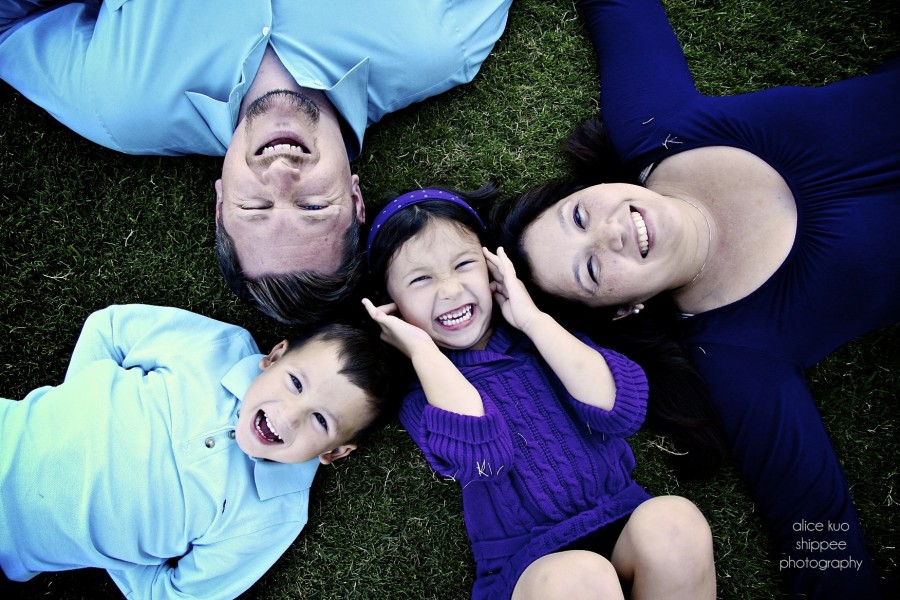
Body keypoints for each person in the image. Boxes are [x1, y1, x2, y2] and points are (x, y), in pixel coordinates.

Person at [493, 0, 900, 597]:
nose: (609, 232)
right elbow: (816, 528)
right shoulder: (740, 356)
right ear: (624, 310)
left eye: (578, 215)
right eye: (591, 268)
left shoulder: (658, 126)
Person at [0, 0, 513, 325]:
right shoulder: (438, 47)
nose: (282, 174)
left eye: (255, 207)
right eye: (313, 206)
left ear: (221, 202)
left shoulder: (121, 104)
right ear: (356, 198)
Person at [362, 188, 715, 600]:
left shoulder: (548, 341)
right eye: (420, 280)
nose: (450, 290)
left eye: (464, 265)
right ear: (391, 306)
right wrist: (422, 351)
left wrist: (532, 319)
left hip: (620, 512)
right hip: (529, 561)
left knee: (675, 521)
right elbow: (484, 459)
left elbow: (620, 410)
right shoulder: (426, 395)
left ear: (493, 269)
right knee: (580, 578)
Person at [0, 304, 394, 598]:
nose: (289, 415)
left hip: (12, 544)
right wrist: (77, 407)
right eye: (295, 382)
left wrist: (112, 547)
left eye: (320, 420)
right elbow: (111, 328)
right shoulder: (214, 349)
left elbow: (172, 595)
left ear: (335, 452)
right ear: (273, 357)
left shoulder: (272, 515)